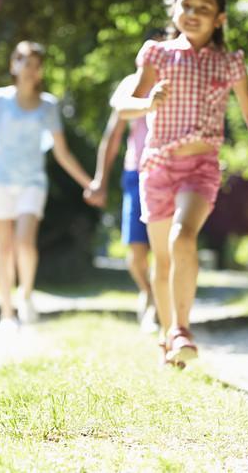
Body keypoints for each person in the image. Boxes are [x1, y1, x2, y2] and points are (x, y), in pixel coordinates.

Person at [116, 0, 248, 368]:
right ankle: (167, 336)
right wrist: (148, 104)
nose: (193, 13)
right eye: (186, 5)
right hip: (157, 165)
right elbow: (124, 105)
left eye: (204, 8)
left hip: (200, 166)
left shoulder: (229, 63)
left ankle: (181, 328)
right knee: (162, 261)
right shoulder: (157, 54)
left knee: (183, 236)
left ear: (220, 18)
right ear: (174, 8)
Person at [0, 41, 94, 330]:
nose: (29, 68)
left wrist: (90, 184)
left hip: (32, 183)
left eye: (35, 64)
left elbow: (62, 153)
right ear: (14, 65)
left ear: (40, 72)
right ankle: (6, 313)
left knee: (24, 243)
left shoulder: (48, 106)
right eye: (23, 61)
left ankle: (25, 294)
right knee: (4, 249)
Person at [89, 70, 157, 332]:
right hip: (136, 174)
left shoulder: (181, 75)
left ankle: (159, 306)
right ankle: (148, 292)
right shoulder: (131, 83)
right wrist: (100, 179)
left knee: (165, 246)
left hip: (171, 173)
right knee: (136, 250)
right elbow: (113, 136)